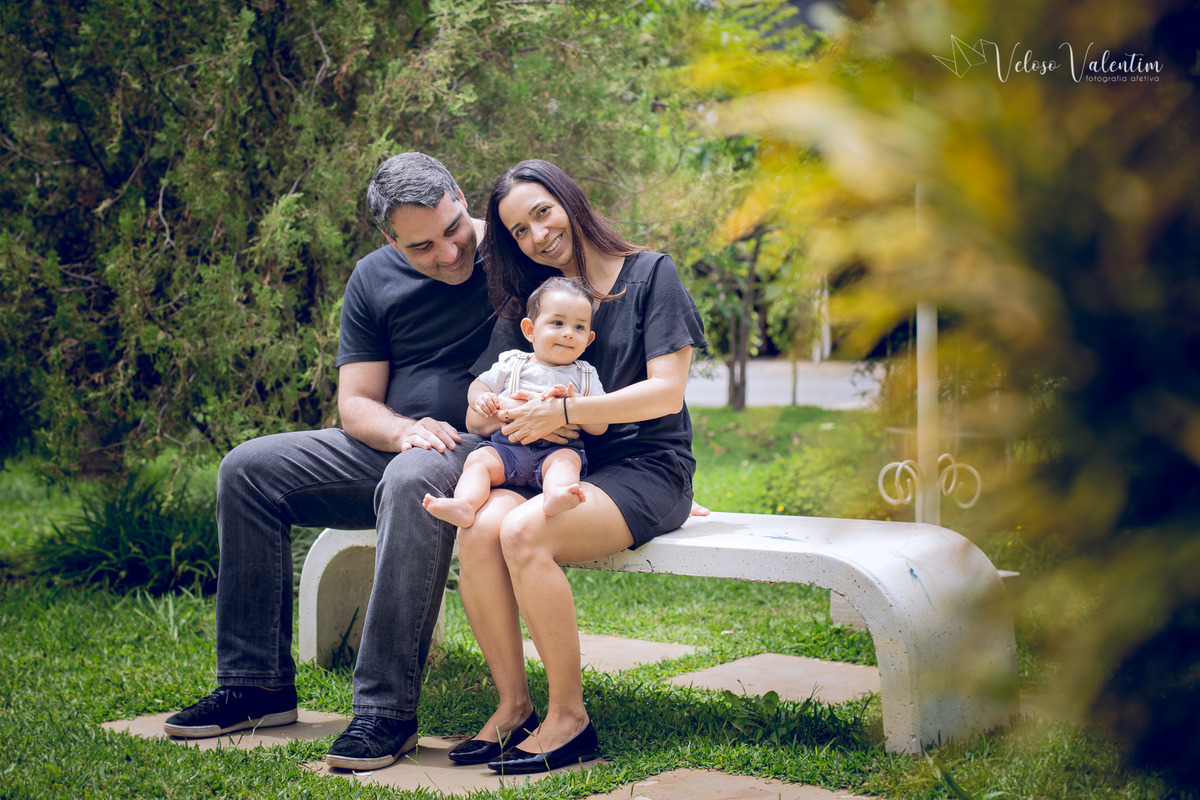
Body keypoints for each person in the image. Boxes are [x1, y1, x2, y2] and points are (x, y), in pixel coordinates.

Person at [162, 152, 543, 771]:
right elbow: (357, 404)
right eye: (422, 246)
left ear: (460, 196)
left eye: (452, 229)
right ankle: (255, 683)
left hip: (488, 454)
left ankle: (385, 712)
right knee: (247, 469)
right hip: (397, 447)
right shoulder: (372, 279)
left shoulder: (514, 255)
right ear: (390, 241)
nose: (448, 253)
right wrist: (402, 431)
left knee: (412, 477)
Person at [449, 159, 706, 773]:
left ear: (569, 200)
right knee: (480, 528)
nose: (537, 235)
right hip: (553, 465)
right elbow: (481, 414)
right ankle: (513, 708)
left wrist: (567, 407)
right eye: (518, 230)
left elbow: (666, 393)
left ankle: (569, 719)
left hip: (647, 466)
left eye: (542, 212)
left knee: (522, 529)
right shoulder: (533, 303)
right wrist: (498, 411)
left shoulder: (651, 275)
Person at [423, 276, 609, 529]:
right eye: (557, 323)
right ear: (530, 330)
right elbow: (479, 385)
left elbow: (600, 426)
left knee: (567, 462)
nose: (568, 333)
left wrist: (574, 405)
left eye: (579, 327)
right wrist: (482, 399)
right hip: (507, 448)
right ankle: (465, 504)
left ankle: (556, 495)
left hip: (555, 451)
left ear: (588, 340)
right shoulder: (513, 362)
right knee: (479, 462)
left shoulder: (585, 375)